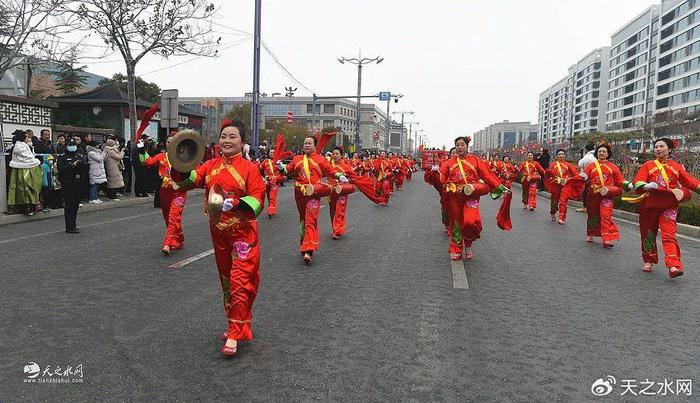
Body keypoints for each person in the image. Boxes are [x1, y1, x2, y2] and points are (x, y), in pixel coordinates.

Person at [172, 121, 265, 357]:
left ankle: (235, 333)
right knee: (226, 282)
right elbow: (188, 180)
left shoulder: (249, 169)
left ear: (242, 142)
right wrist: (179, 160)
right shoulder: (210, 166)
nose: (226, 140)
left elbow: (258, 200)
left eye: (232, 137)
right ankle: (237, 323)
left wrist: (235, 203)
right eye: (223, 136)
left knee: (240, 282)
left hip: (243, 234)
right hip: (219, 233)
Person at [629, 138, 700, 278]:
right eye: (656, 147)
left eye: (661, 146)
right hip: (650, 205)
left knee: (669, 234)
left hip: (669, 206)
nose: (658, 149)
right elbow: (638, 181)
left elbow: (690, 182)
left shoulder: (676, 166)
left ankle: (673, 265)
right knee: (648, 233)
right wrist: (645, 185)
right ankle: (649, 260)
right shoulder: (648, 165)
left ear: (669, 149)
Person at [276, 136, 347, 264]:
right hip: (299, 192)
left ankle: (309, 249)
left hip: (314, 192)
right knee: (303, 217)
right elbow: (287, 170)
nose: (307, 145)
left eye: (309, 143)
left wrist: (339, 175)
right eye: (305, 143)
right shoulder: (297, 159)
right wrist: (281, 167)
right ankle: (304, 243)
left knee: (311, 218)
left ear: (315, 146)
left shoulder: (321, 159)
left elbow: (330, 171)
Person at [440, 136, 508, 261]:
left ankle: (468, 243)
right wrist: (439, 176)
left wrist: (500, 187)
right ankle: (457, 248)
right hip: (455, 197)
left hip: (471, 195)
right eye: (457, 145)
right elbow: (443, 180)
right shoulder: (449, 163)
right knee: (456, 223)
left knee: (470, 222)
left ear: (467, 146)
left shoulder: (476, 161)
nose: (460, 147)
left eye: (462, 145)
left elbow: (487, 175)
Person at [140, 133, 188, 255]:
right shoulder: (162, 156)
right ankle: (178, 238)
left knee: (173, 216)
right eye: (168, 142)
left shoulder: (183, 157)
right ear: (165, 144)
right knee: (168, 217)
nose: (170, 144)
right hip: (165, 190)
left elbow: (194, 171)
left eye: (173, 142)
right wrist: (141, 149)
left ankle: (168, 243)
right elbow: (147, 162)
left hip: (179, 191)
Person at [581, 144, 631, 248]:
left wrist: (627, 184)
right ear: (596, 153)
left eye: (604, 151)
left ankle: (606, 239)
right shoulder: (591, 166)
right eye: (599, 151)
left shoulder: (613, 167)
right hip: (593, 195)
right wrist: (583, 176)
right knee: (592, 215)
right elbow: (585, 176)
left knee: (606, 216)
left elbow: (619, 180)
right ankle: (591, 234)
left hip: (607, 195)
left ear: (608, 154)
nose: (601, 153)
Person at [8, 130, 42, 215]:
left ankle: (30, 206)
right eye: (26, 136)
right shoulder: (19, 147)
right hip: (21, 169)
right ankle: (25, 208)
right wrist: (36, 161)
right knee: (24, 188)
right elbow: (28, 157)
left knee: (28, 189)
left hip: (24, 168)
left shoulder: (24, 145)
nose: (28, 138)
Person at [57, 138, 86, 233]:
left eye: (74, 144)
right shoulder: (62, 157)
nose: (72, 146)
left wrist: (82, 165)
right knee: (69, 206)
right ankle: (69, 226)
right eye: (70, 144)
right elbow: (61, 169)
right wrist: (72, 165)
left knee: (75, 205)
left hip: (78, 183)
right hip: (67, 183)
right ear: (66, 146)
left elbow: (84, 169)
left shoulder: (79, 155)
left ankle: (73, 224)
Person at [545, 149, 579, 223]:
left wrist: (568, 179)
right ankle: (553, 212)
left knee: (563, 201)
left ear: (564, 155)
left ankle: (561, 217)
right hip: (555, 185)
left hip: (565, 186)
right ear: (557, 156)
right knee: (554, 201)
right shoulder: (553, 164)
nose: (561, 155)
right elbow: (547, 174)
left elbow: (576, 174)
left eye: (562, 154)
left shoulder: (568, 165)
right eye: (559, 154)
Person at [260, 147, 283, 218]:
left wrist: (279, 177)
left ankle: (271, 210)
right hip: (267, 181)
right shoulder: (265, 161)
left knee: (272, 196)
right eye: (270, 152)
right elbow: (260, 169)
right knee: (269, 196)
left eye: (273, 152)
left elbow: (282, 172)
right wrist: (263, 178)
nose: (272, 154)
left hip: (275, 182)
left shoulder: (278, 162)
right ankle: (272, 207)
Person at [577, 143, 596, 212]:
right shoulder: (597, 156)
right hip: (597, 178)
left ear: (586, 149)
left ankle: (585, 207)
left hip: (587, 177)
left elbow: (580, 165)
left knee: (585, 192)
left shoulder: (586, 157)